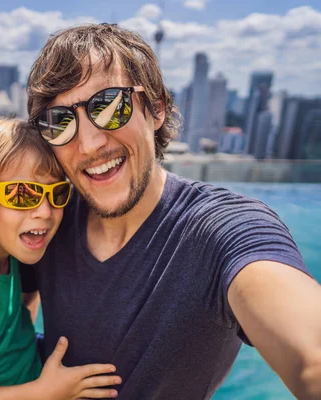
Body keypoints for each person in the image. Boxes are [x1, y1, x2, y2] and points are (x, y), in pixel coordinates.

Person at [22, 23, 321, 399]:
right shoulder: (47, 219)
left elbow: (311, 358)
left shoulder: (221, 229)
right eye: (60, 122)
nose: (88, 144)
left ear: (158, 109)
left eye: (111, 106)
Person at [0, 118, 121, 400]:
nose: (44, 211)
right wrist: (44, 392)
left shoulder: (12, 257)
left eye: (57, 193)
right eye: (22, 194)